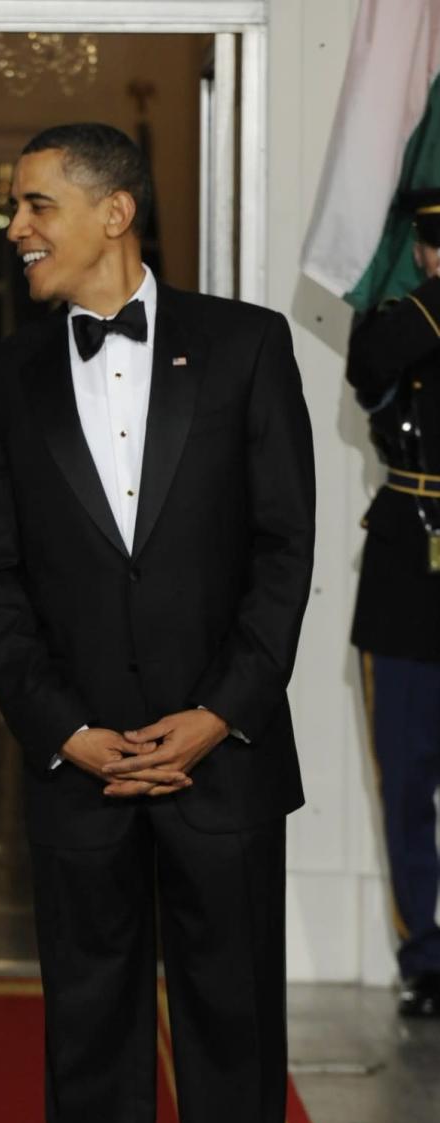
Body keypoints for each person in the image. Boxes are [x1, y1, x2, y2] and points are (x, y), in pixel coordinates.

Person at [0, 124, 314, 1123]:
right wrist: (61, 730)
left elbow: (281, 556)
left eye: (35, 204)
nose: (17, 227)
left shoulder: (248, 344)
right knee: (88, 1042)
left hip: (221, 762)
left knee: (233, 1039)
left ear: (114, 213)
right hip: (77, 770)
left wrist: (215, 716)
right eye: (14, 207)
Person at [347, 187, 440, 1020]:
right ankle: (425, 956)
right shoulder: (396, 321)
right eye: (433, 244)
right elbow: (368, 371)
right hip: (408, 565)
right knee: (405, 776)